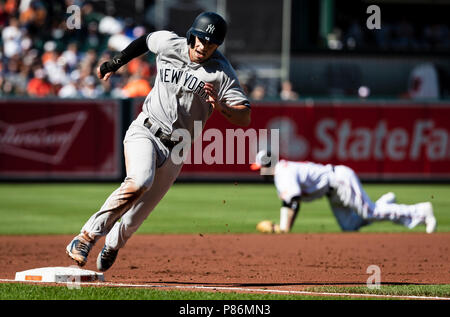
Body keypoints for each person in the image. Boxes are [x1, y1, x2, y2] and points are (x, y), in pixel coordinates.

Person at [66, 12, 251, 271]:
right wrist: (116, 62)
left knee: (135, 218)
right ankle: (85, 237)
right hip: (147, 129)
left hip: (177, 149)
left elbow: (244, 116)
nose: (202, 46)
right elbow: (145, 41)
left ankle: (113, 244)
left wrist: (221, 107)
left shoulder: (221, 72)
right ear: (191, 34)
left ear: (217, 45)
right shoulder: (170, 44)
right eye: (199, 38)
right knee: (140, 180)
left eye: (210, 43)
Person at [251, 150, 437, 234]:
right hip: (332, 191)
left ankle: (421, 212)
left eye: (260, 168)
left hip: (339, 181)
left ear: (268, 165)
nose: (259, 172)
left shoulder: (282, 172)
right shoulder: (283, 170)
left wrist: (284, 229)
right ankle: (383, 204)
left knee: (370, 213)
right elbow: (290, 201)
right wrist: (282, 228)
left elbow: (293, 200)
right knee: (349, 226)